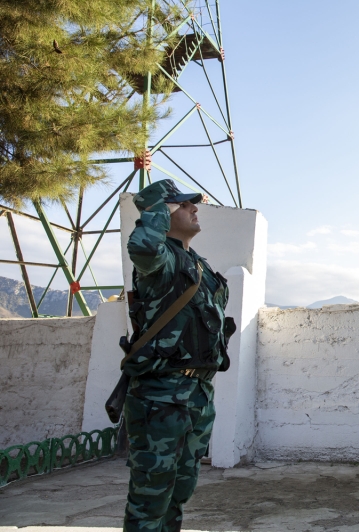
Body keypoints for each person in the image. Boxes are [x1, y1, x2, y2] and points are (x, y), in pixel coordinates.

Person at [123, 179, 235, 532]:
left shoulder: (196, 263)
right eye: (184, 205)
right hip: (161, 396)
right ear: (166, 211)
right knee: (151, 498)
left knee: (179, 491)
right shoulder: (161, 260)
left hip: (198, 394)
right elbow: (142, 247)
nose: (194, 208)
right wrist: (156, 210)